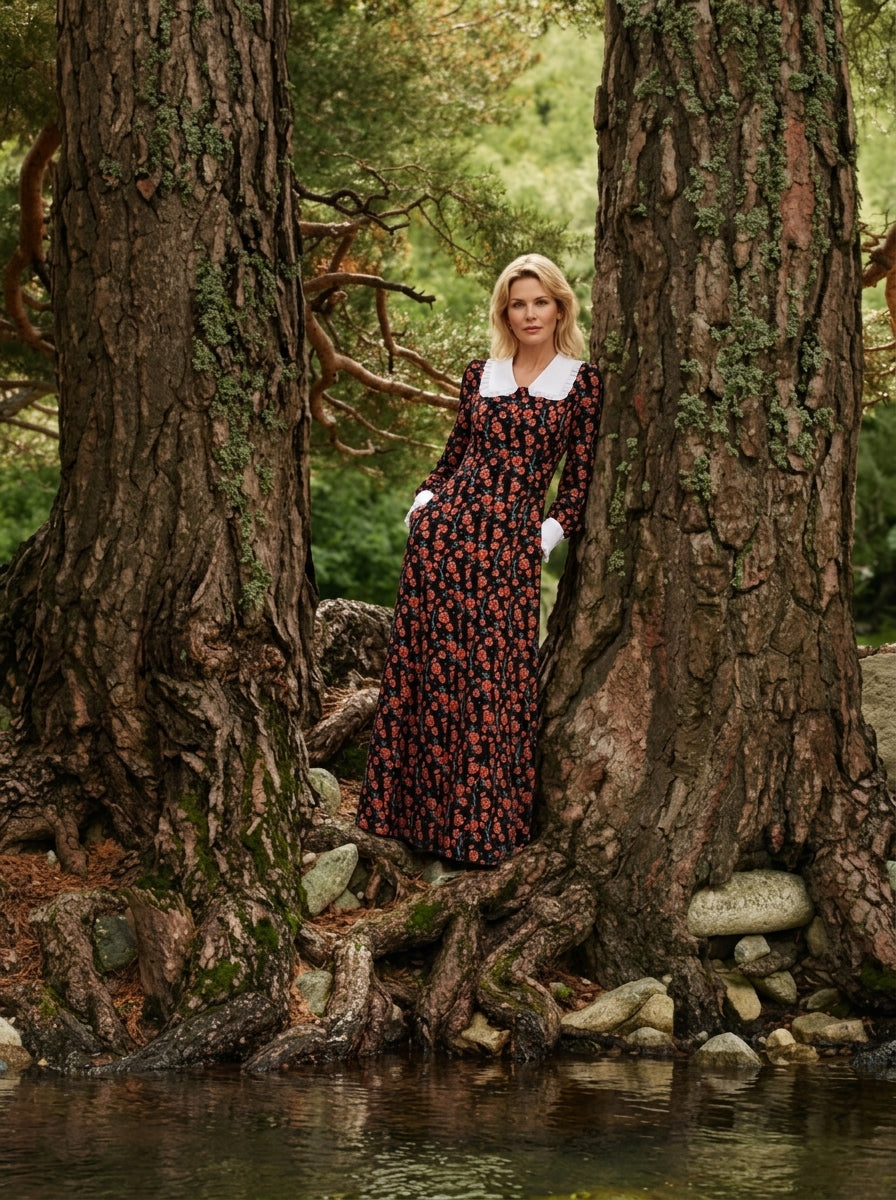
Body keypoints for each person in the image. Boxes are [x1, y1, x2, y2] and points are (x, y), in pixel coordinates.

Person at [355, 253, 604, 866]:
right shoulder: (481, 374)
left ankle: (476, 832)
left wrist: (541, 537)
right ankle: (406, 819)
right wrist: (423, 503)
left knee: (492, 683)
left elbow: (577, 481)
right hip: (443, 540)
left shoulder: (582, 381)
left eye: (539, 301)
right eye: (517, 303)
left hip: (507, 548)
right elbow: (453, 455)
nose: (529, 314)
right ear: (505, 311)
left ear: (560, 305)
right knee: (428, 671)